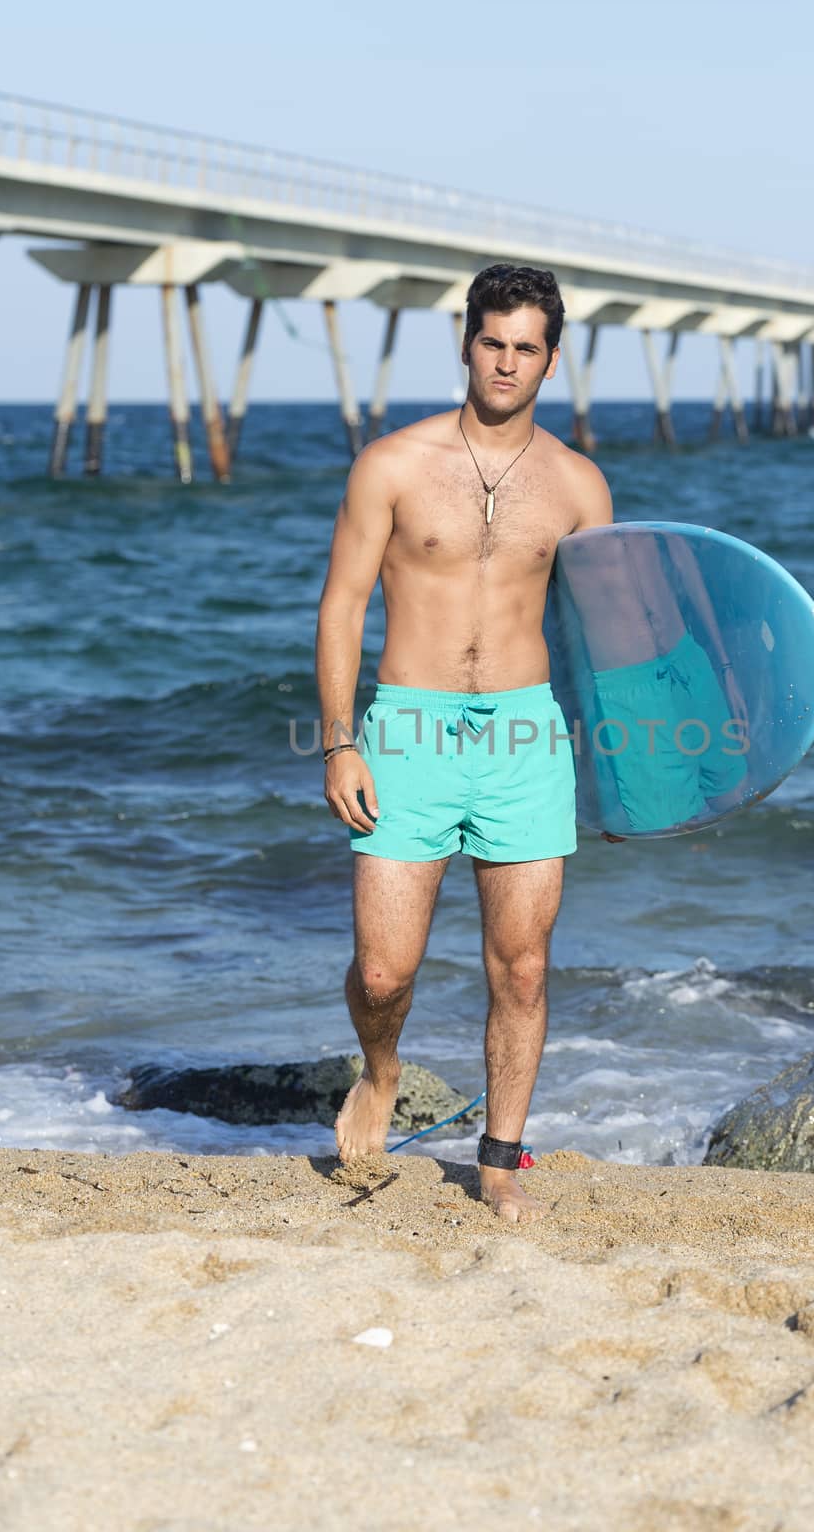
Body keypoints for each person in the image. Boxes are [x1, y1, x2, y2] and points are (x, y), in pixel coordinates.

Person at [315, 263, 613, 1222]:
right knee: (381, 971)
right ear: (466, 344)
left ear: (552, 361)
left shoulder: (579, 486)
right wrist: (338, 742)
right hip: (408, 726)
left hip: (528, 732)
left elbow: (605, 636)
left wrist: (634, 771)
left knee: (521, 964)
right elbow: (342, 606)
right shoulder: (392, 466)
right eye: (494, 342)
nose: (508, 363)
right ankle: (381, 1066)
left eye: (528, 348)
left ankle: (500, 1156)